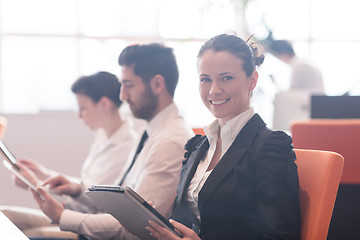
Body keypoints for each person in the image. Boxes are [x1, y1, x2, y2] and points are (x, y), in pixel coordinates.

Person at [30, 43, 194, 240]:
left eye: (129, 85)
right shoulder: (151, 131)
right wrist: (77, 189)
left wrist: (62, 216)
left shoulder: (169, 141)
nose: (122, 95)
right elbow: (117, 203)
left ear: (157, 85)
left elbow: (135, 226)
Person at [146, 34, 301, 240]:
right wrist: (147, 224)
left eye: (226, 78)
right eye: (205, 79)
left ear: (252, 80)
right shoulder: (197, 146)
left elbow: (281, 237)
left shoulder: (270, 147)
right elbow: (186, 222)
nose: (214, 90)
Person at [1, 71, 138, 237]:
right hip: (74, 214)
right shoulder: (103, 138)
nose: (79, 116)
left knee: (23, 232)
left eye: (83, 108)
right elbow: (83, 186)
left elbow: (94, 204)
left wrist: (35, 183)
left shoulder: (125, 148)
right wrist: (44, 174)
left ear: (104, 103)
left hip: (87, 224)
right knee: (4, 215)